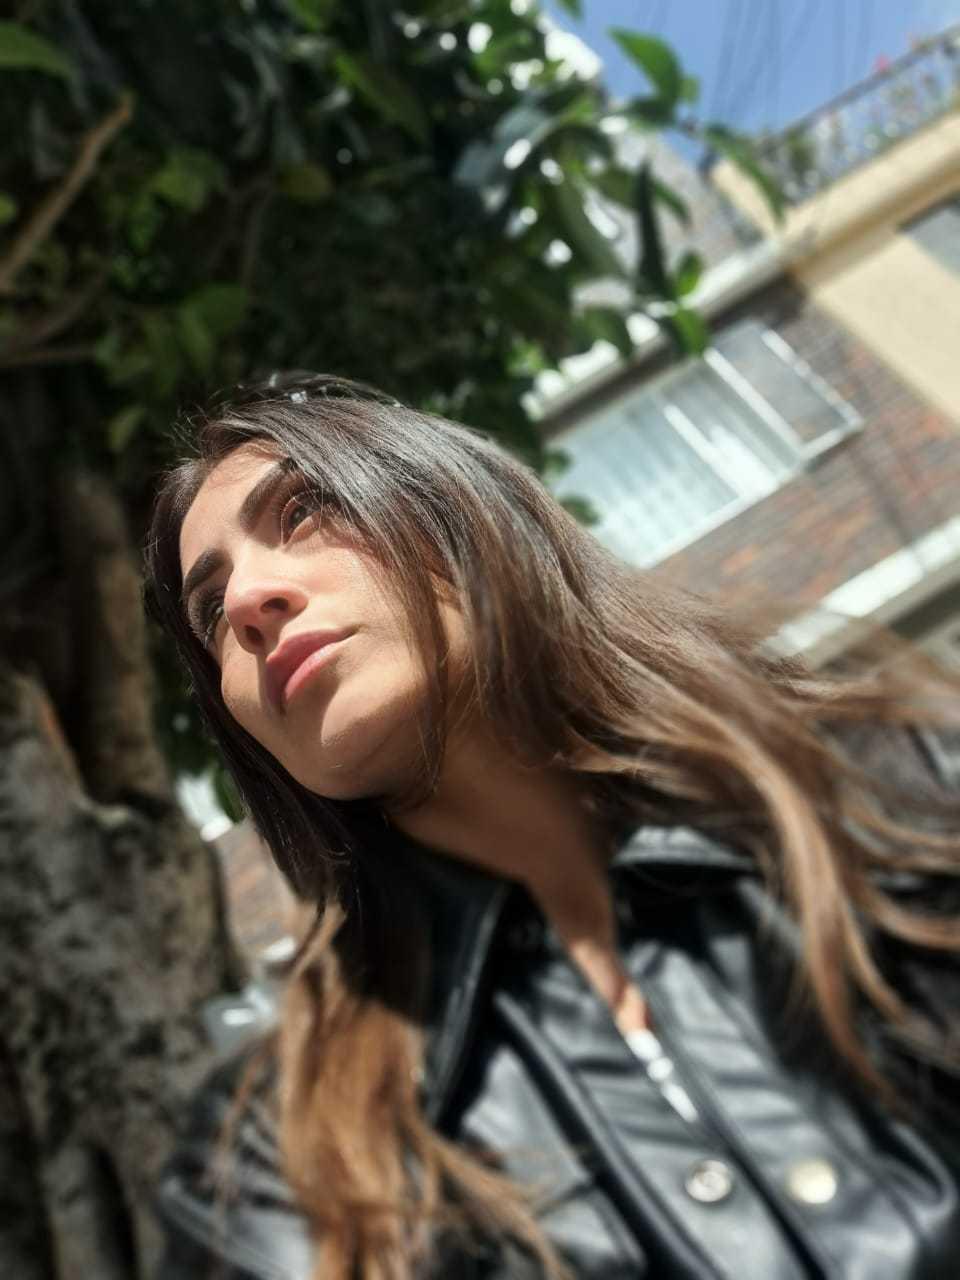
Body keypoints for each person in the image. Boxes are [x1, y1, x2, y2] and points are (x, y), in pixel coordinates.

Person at [145, 372, 960, 1280]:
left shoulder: (910, 796)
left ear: (454, 502)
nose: (248, 601)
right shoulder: (272, 1161)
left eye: (301, 512)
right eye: (210, 611)